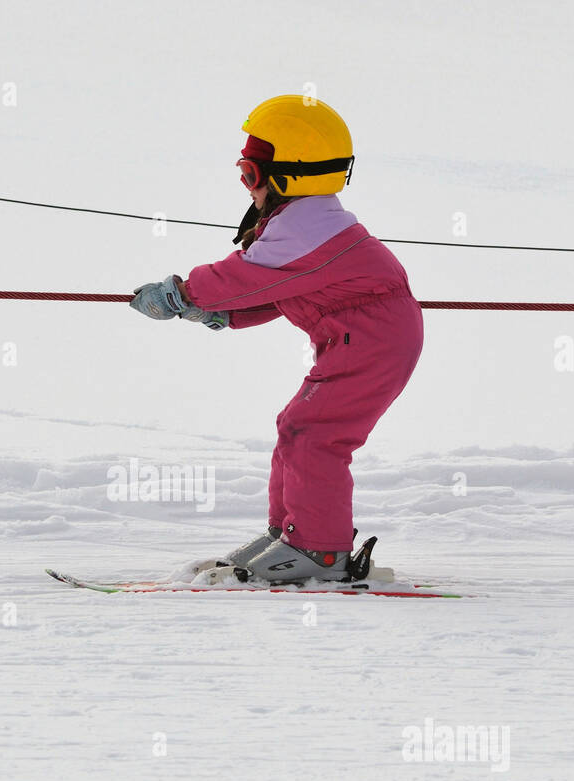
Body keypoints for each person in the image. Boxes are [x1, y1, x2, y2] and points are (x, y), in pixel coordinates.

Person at [130, 95, 423, 583]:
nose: (247, 188)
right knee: (297, 425)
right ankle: (292, 533)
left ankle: (319, 551)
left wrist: (182, 294)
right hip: (362, 339)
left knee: (317, 435)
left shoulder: (307, 226)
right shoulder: (307, 222)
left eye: (249, 174)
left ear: (289, 175)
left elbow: (242, 275)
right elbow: (276, 290)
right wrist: (221, 315)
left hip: (373, 344)